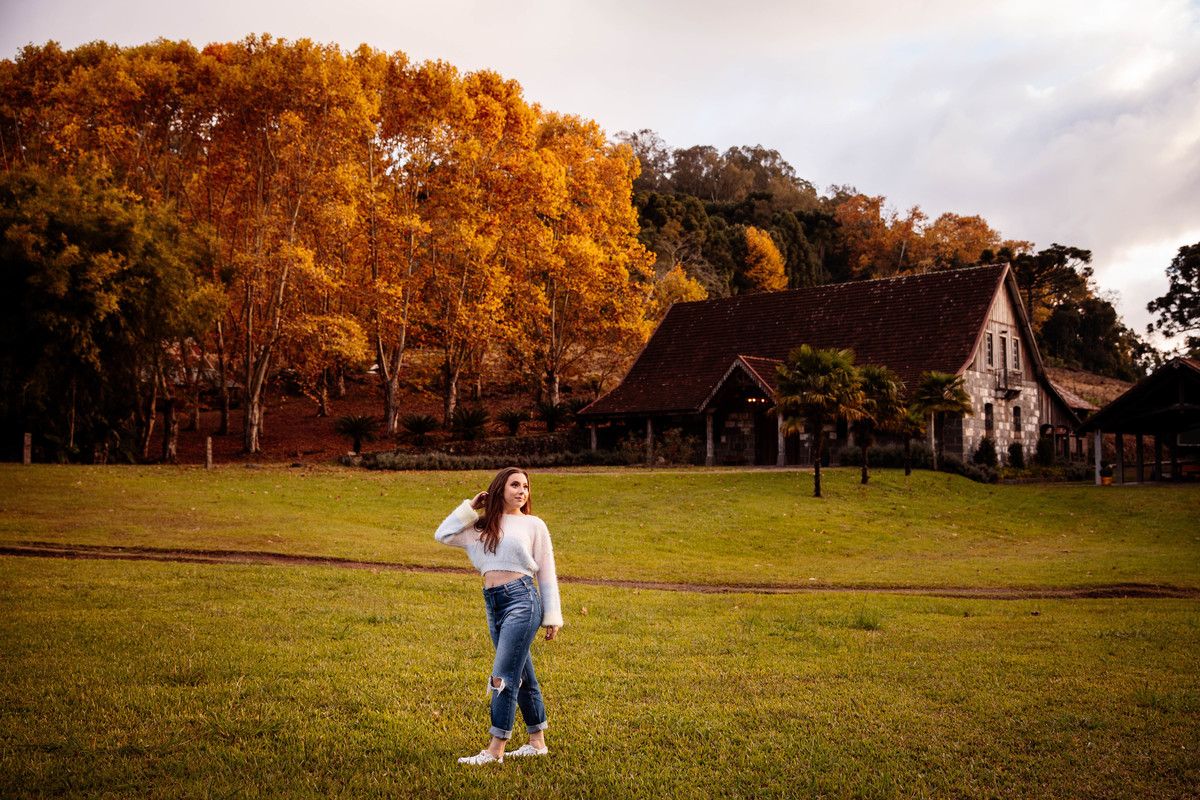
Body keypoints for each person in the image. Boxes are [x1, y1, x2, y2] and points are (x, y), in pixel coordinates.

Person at [434, 466, 563, 765]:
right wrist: (470, 507)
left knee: (502, 675)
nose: (522, 491)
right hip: (493, 603)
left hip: (523, 600)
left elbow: (546, 570)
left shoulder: (533, 525)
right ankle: (537, 743)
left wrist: (552, 616)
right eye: (515, 485)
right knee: (522, 674)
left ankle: (495, 750)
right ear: (499, 489)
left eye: (525, 486)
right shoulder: (480, 527)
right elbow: (443, 534)